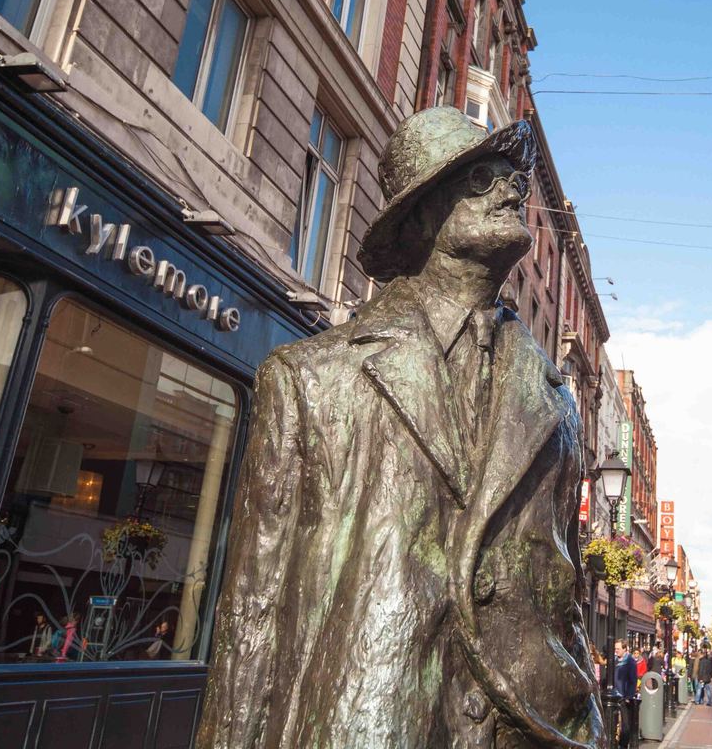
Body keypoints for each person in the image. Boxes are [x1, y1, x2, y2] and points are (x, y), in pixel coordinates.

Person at [197, 108, 603, 748]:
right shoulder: (310, 377)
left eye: (515, 180)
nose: (511, 189)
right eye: (480, 179)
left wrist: (589, 725)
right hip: (373, 717)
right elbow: (254, 610)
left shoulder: (555, 403)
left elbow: (563, 589)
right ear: (419, 216)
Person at [614, 640, 638, 749]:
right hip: (614, 696)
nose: (616, 651)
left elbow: (633, 680)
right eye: (615, 648)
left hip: (624, 696)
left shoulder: (630, 661)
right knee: (614, 721)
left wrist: (629, 696)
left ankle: (623, 745)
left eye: (618, 649)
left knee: (625, 724)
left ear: (624, 649)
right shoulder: (614, 660)